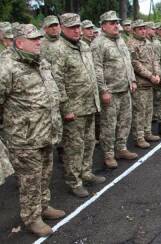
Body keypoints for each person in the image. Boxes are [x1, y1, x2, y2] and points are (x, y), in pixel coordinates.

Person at [0, 24, 65, 236]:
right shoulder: (6, 67)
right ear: (20, 42)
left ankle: (43, 206)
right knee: (30, 181)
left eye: (39, 38)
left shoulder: (39, 61)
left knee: (45, 174)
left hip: (46, 131)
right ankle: (32, 217)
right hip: (24, 138)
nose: (39, 42)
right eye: (34, 39)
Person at [52, 13, 105, 198]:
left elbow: (91, 74)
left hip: (90, 104)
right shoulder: (59, 49)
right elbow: (56, 82)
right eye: (71, 27)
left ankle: (86, 172)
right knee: (74, 147)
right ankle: (73, 181)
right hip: (74, 109)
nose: (76, 30)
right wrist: (65, 109)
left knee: (90, 142)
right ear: (63, 28)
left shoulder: (83, 46)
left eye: (78, 27)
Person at [91, 10, 138, 169]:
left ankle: (121, 148)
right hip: (111, 92)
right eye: (112, 23)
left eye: (117, 22)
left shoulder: (120, 40)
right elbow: (96, 69)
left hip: (124, 89)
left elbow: (127, 62)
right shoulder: (98, 43)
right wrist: (103, 90)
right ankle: (109, 154)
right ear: (103, 26)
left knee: (125, 121)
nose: (116, 26)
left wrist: (132, 79)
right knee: (109, 125)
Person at [127, 19, 161, 148]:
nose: (143, 31)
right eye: (140, 29)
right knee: (139, 112)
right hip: (141, 83)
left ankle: (147, 132)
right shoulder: (131, 44)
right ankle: (139, 137)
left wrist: (157, 74)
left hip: (151, 83)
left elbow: (155, 60)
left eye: (144, 28)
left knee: (148, 110)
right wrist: (150, 76)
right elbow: (135, 64)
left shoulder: (148, 42)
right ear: (134, 30)